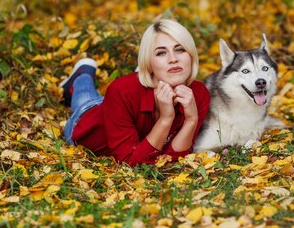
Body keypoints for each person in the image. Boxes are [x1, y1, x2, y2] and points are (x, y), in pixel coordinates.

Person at [59, 18, 210, 166]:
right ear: (149, 64)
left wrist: (192, 119)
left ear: (191, 55)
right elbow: (131, 162)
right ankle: (82, 73)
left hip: (123, 107)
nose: (173, 59)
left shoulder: (198, 93)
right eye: (161, 53)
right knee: (85, 99)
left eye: (180, 49)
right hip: (88, 118)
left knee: (126, 95)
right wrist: (166, 118)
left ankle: (148, 75)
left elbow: (173, 160)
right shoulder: (119, 91)